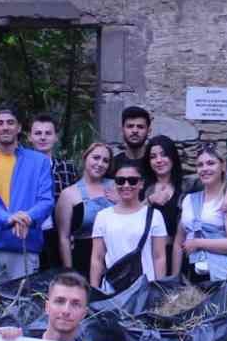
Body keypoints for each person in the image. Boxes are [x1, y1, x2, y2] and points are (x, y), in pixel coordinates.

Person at [0, 107, 53, 282]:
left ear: (19, 128)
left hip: (24, 244)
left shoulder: (39, 162)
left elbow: (46, 201)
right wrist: (9, 219)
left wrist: (28, 217)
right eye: (0, 123)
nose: (5, 127)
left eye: (10, 122)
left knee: (22, 305)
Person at [90, 155, 167, 292]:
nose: (126, 185)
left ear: (141, 184)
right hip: (112, 289)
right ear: (115, 184)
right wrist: (94, 291)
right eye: (120, 181)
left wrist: (160, 290)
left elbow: (159, 257)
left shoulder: (154, 216)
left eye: (132, 181)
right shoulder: (103, 216)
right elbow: (97, 258)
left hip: (145, 289)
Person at [171, 145, 227, 281]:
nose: (205, 169)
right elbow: (178, 242)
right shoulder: (189, 200)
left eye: (211, 163)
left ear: (222, 166)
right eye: (200, 165)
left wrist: (198, 243)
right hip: (192, 273)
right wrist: (175, 279)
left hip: (223, 276)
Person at [28, 114, 78, 268]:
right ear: (30, 137)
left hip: (58, 234)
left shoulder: (66, 168)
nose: (43, 137)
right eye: (38, 133)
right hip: (29, 232)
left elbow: (76, 203)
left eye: (48, 133)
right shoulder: (21, 168)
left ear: (56, 137)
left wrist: (74, 232)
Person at [56, 142, 113, 271]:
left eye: (105, 161)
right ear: (85, 157)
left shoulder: (117, 187)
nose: (100, 164)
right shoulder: (68, 194)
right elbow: (64, 238)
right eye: (96, 158)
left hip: (115, 259)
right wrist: (69, 272)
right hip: (83, 261)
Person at [144, 135, 185, 278]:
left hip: (177, 254)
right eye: (153, 157)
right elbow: (130, 214)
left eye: (164, 155)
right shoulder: (141, 187)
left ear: (172, 157)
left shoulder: (187, 186)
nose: (159, 160)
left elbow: (220, 182)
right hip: (147, 255)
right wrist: (150, 200)